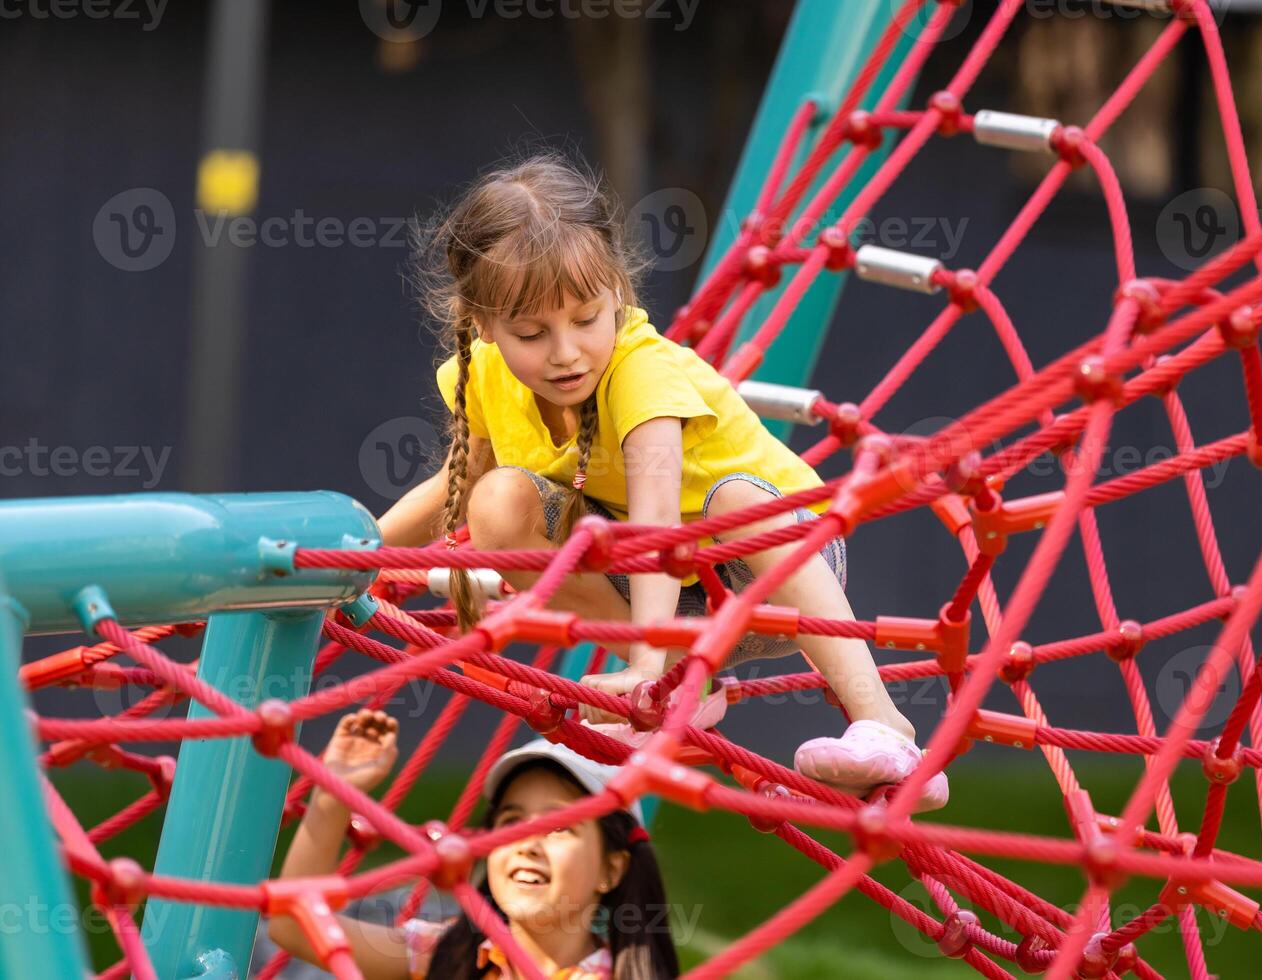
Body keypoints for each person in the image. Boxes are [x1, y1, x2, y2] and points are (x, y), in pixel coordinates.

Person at [377, 152, 946, 810]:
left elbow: (654, 523)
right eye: (532, 333)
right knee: (497, 502)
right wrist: (366, 554)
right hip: (655, 591)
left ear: (617, 291)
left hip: (771, 564)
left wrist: (649, 661)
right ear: (482, 324)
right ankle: (684, 681)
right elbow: (461, 477)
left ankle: (884, 723)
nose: (566, 352)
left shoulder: (641, 375)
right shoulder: (480, 373)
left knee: (732, 499)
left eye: (586, 320)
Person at [269, 708, 678, 979]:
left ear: (612, 868)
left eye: (559, 826)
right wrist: (334, 795)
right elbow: (295, 926)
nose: (526, 842)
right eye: (512, 821)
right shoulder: (450, 954)